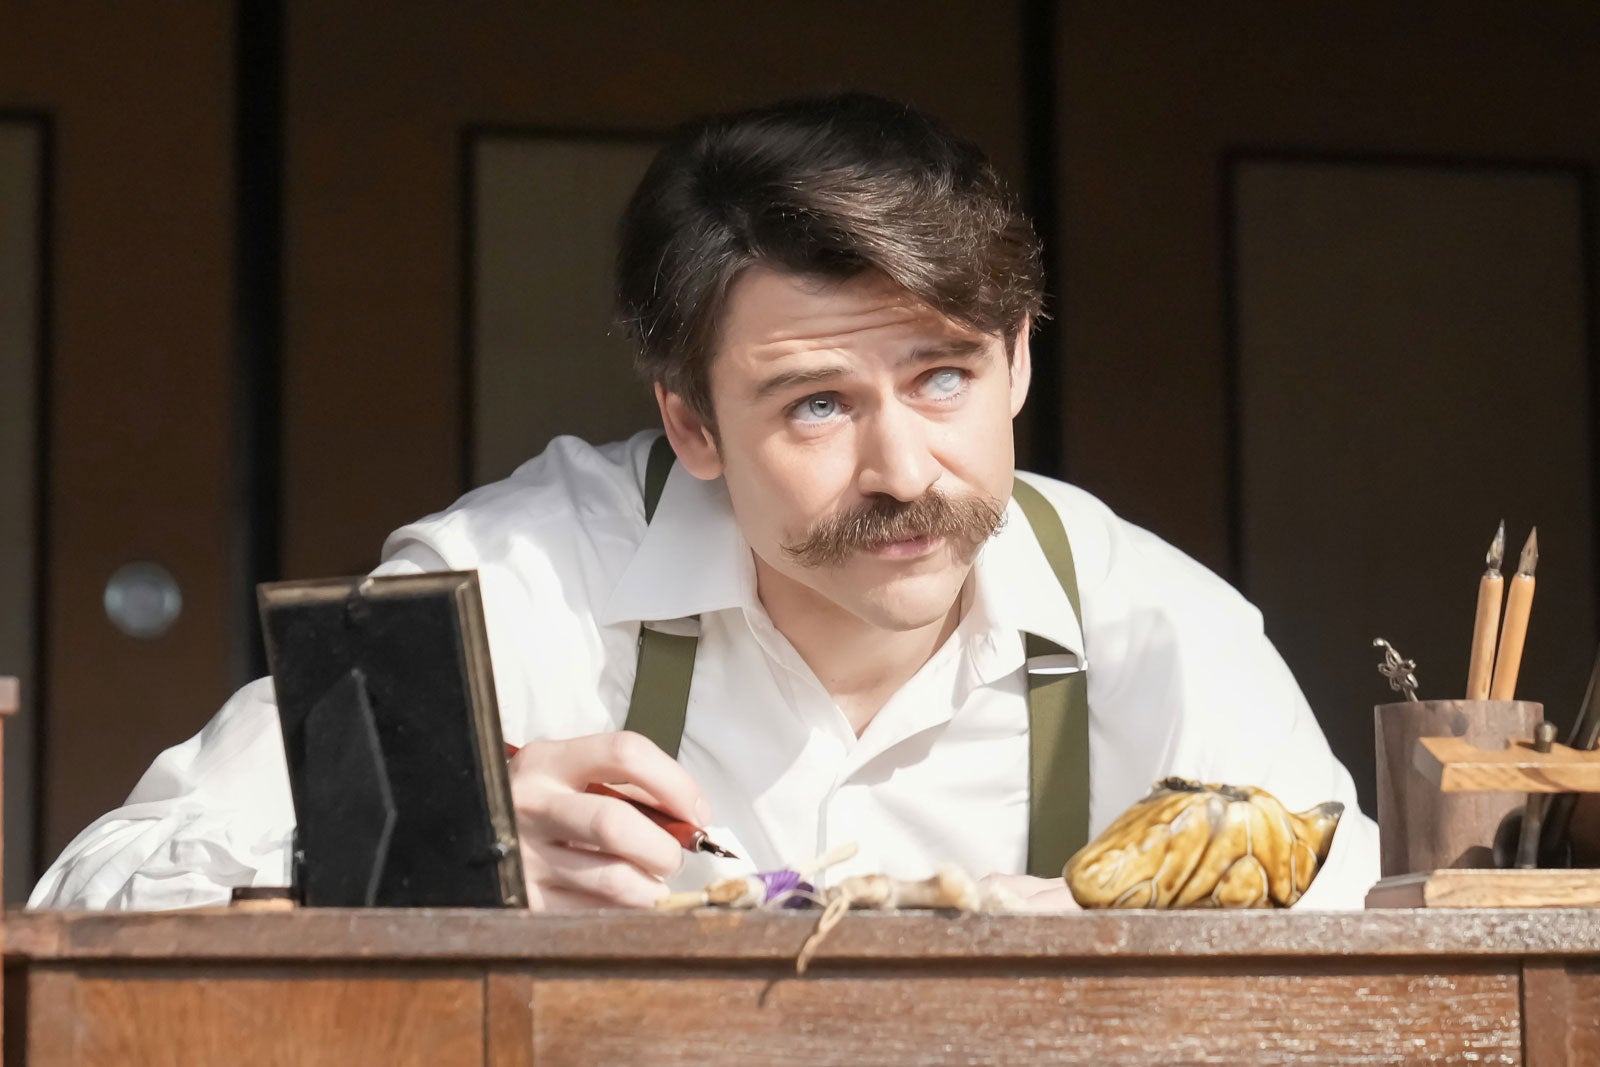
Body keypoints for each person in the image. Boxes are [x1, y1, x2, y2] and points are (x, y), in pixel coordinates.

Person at [32, 92, 1378, 911]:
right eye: (816, 404)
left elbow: (1370, 942)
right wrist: (438, 852)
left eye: (943, 378)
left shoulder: (1153, 623)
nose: (905, 471)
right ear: (690, 422)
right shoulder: (519, 577)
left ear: (1018, 359)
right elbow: (96, 888)